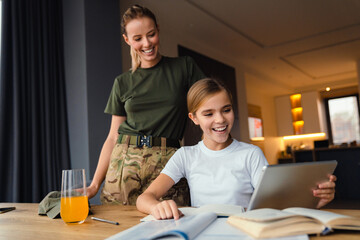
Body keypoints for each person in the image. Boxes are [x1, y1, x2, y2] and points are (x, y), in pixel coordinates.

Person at [136, 78, 337, 220]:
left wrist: (314, 200)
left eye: (226, 110)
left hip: (246, 231)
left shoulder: (251, 154)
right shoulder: (186, 155)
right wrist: (157, 206)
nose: (220, 119)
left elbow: (276, 203)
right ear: (194, 118)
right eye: (208, 114)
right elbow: (144, 199)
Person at [86, 4, 206, 206]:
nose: (147, 43)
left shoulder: (184, 67)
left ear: (158, 30)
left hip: (168, 164)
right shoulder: (122, 82)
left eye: (151, 34)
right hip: (123, 163)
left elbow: (208, 105)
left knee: (171, 225)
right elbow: (113, 136)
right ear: (127, 40)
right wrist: (95, 184)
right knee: (118, 232)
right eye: (138, 38)